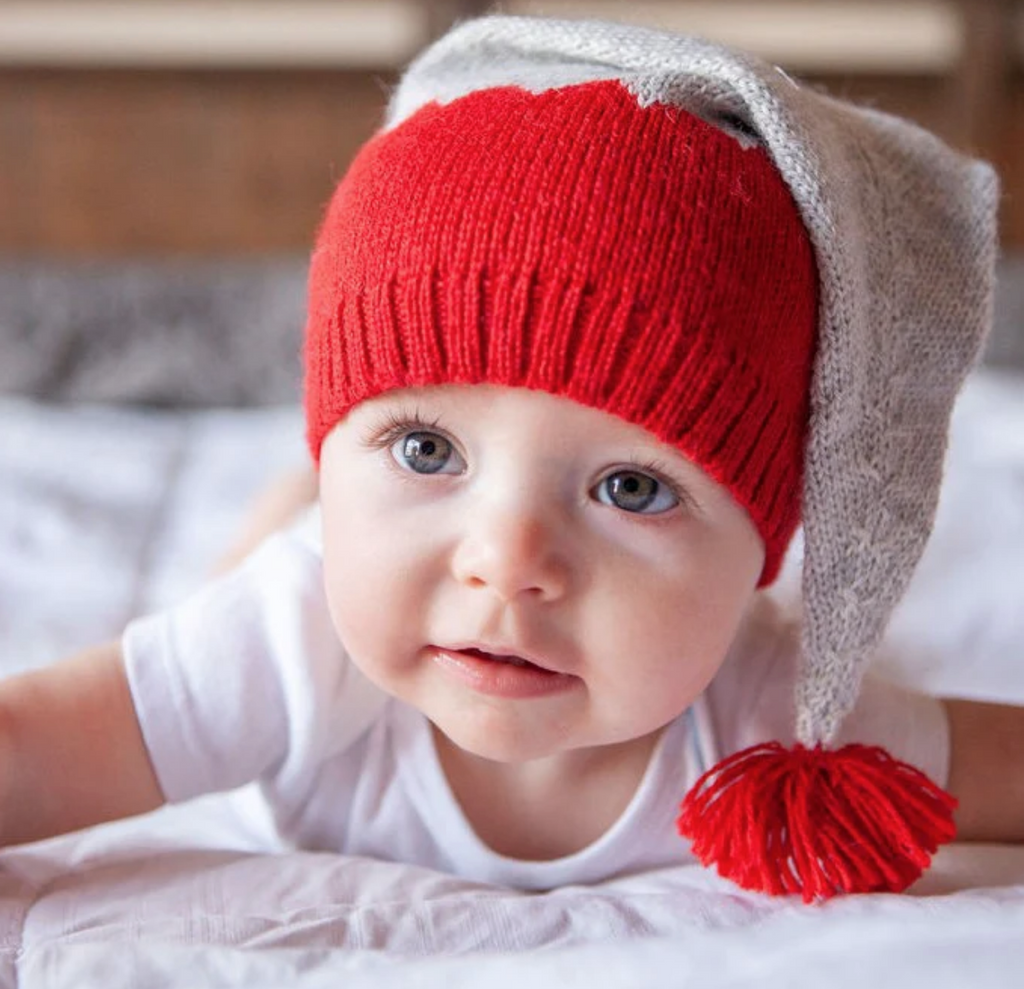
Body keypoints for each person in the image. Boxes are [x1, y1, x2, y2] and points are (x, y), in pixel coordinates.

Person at [2, 15, 1022, 904]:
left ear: (765, 536)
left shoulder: (767, 715)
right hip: (300, 568)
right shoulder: (289, 642)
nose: (505, 558)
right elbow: (35, 748)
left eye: (631, 486)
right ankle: (295, 502)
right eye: (425, 446)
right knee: (265, 559)